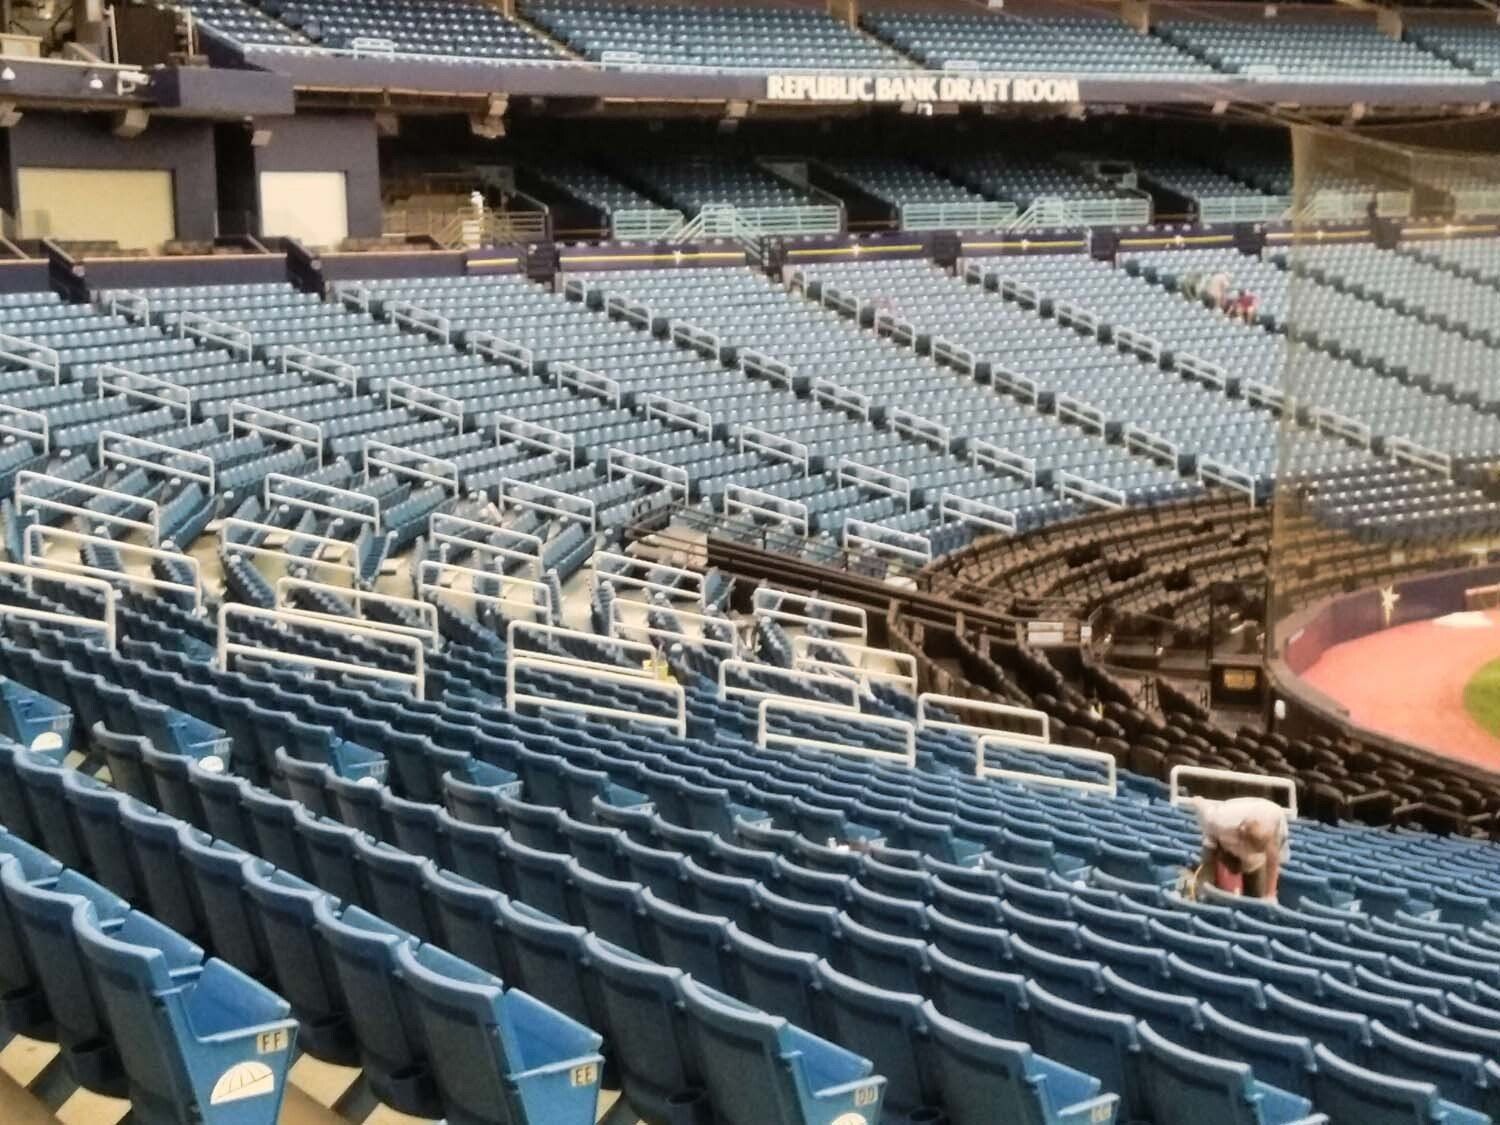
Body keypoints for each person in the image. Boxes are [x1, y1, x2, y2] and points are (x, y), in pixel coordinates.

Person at [1192, 795, 1289, 901]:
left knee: (1260, 891)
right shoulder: (1218, 819)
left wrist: (1270, 895)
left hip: (1255, 859)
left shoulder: (1277, 828)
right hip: (1222, 843)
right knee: (1208, 877)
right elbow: (1200, 803)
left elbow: (1274, 861)